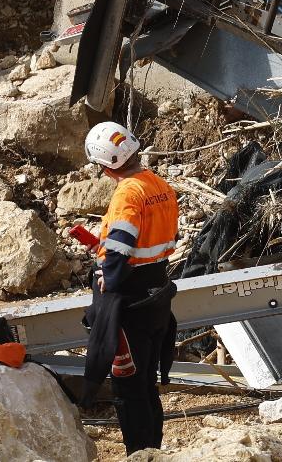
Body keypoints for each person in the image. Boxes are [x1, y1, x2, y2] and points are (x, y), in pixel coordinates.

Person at [79, 121, 179, 456]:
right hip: (156, 297)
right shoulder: (158, 184)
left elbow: (122, 248)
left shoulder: (127, 194)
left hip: (130, 304)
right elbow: (147, 243)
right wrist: (103, 250)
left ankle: (141, 453)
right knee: (147, 384)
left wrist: (110, 275)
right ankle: (154, 451)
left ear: (106, 165)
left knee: (129, 389)